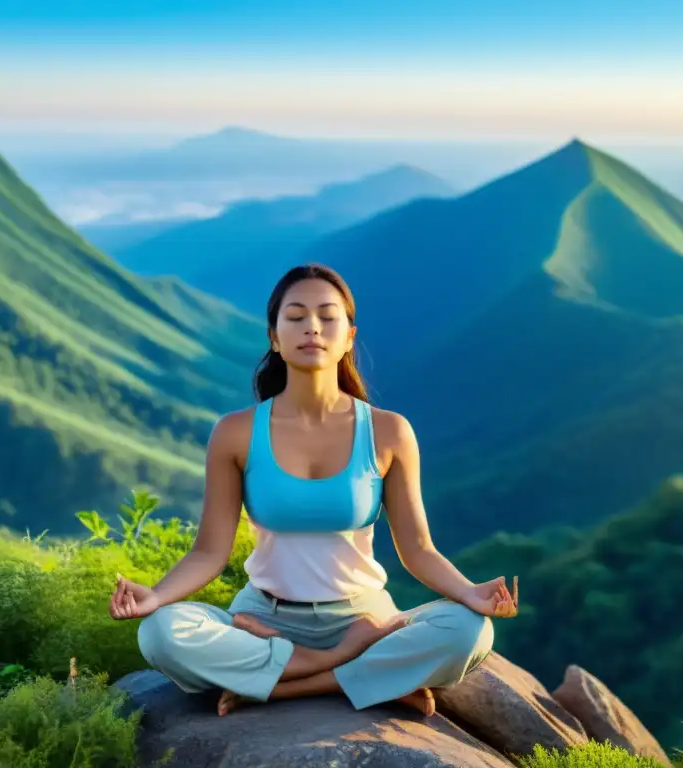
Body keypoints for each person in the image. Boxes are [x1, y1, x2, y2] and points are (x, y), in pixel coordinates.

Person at [108, 263, 519, 717]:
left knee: (469, 630)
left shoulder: (388, 432)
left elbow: (418, 549)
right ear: (274, 336)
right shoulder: (236, 433)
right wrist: (157, 596)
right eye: (296, 316)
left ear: (348, 336)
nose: (312, 328)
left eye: (327, 316)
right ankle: (354, 668)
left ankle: (289, 683)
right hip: (261, 620)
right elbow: (208, 552)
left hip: (364, 615)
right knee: (161, 633)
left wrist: (470, 593)